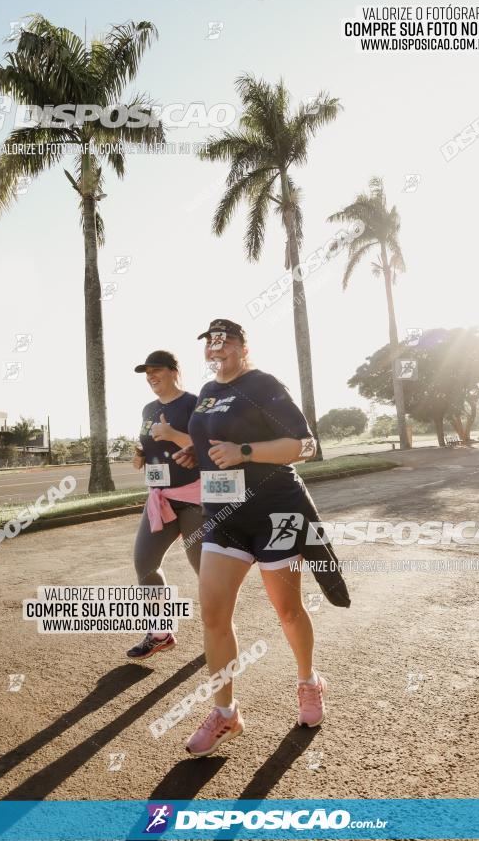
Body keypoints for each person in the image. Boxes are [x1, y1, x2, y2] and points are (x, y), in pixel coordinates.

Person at [173, 319, 327, 757]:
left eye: (225, 342)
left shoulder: (262, 385)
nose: (216, 349)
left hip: (274, 511)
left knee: (289, 611)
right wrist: (196, 453)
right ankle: (226, 714)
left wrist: (245, 452)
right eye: (210, 343)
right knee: (213, 615)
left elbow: (305, 445)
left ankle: (309, 682)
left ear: (242, 346)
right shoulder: (206, 393)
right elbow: (211, 441)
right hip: (224, 515)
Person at [126, 350, 202, 660]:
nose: (151, 376)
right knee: (145, 562)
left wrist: (172, 434)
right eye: (147, 372)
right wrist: (140, 453)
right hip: (161, 497)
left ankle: (221, 632)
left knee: (206, 572)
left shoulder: (194, 403)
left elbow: (210, 447)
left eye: (156, 370)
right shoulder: (148, 408)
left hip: (195, 499)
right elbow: (146, 441)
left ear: (174, 371)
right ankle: (160, 632)